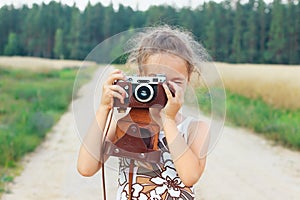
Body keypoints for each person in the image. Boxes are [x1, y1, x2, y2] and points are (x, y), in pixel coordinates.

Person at [77, 25, 209, 199]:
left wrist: (168, 120)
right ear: (141, 78)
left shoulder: (195, 129)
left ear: (188, 79)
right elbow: (86, 168)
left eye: (174, 81)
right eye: (157, 80)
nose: (165, 89)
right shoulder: (125, 123)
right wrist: (104, 108)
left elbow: (190, 177)